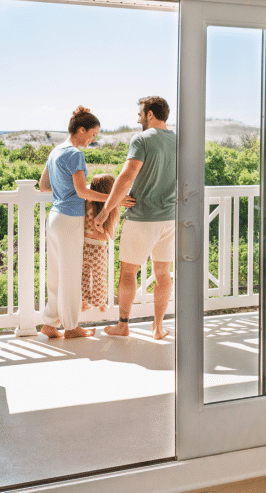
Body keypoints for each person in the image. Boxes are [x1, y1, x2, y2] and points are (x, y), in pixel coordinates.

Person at [38, 107, 129, 339]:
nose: (93, 138)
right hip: (70, 220)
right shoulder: (75, 154)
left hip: (55, 217)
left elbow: (44, 186)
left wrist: (64, 192)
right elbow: (81, 192)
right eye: (93, 133)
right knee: (70, 276)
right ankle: (71, 327)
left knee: (57, 273)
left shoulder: (56, 151)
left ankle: (49, 323)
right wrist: (114, 198)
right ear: (81, 129)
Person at [96, 96, 176, 340]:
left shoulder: (141, 139)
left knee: (129, 273)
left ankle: (123, 324)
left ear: (151, 114)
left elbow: (127, 176)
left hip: (142, 217)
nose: (138, 117)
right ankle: (158, 327)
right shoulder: (177, 140)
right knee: (163, 274)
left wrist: (106, 209)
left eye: (141, 113)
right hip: (170, 218)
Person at [82, 174, 118, 313]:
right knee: (99, 277)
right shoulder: (106, 209)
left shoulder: (86, 203)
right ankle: (100, 303)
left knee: (84, 276)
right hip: (98, 248)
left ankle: (83, 302)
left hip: (84, 246)